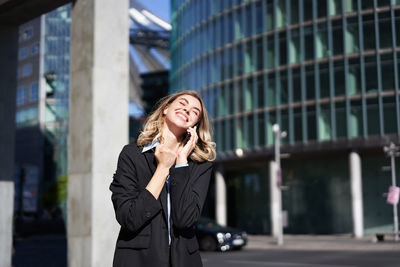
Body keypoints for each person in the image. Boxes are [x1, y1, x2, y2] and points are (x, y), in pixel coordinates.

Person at [110, 90, 216, 267]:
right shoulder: (131, 155)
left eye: (195, 111)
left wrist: (181, 162)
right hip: (138, 261)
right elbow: (130, 218)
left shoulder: (200, 165)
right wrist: (163, 168)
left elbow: (184, 219)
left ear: (196, 123)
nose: (188, 109)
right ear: (166, 108)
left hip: (183, 260)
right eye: (182, 103)